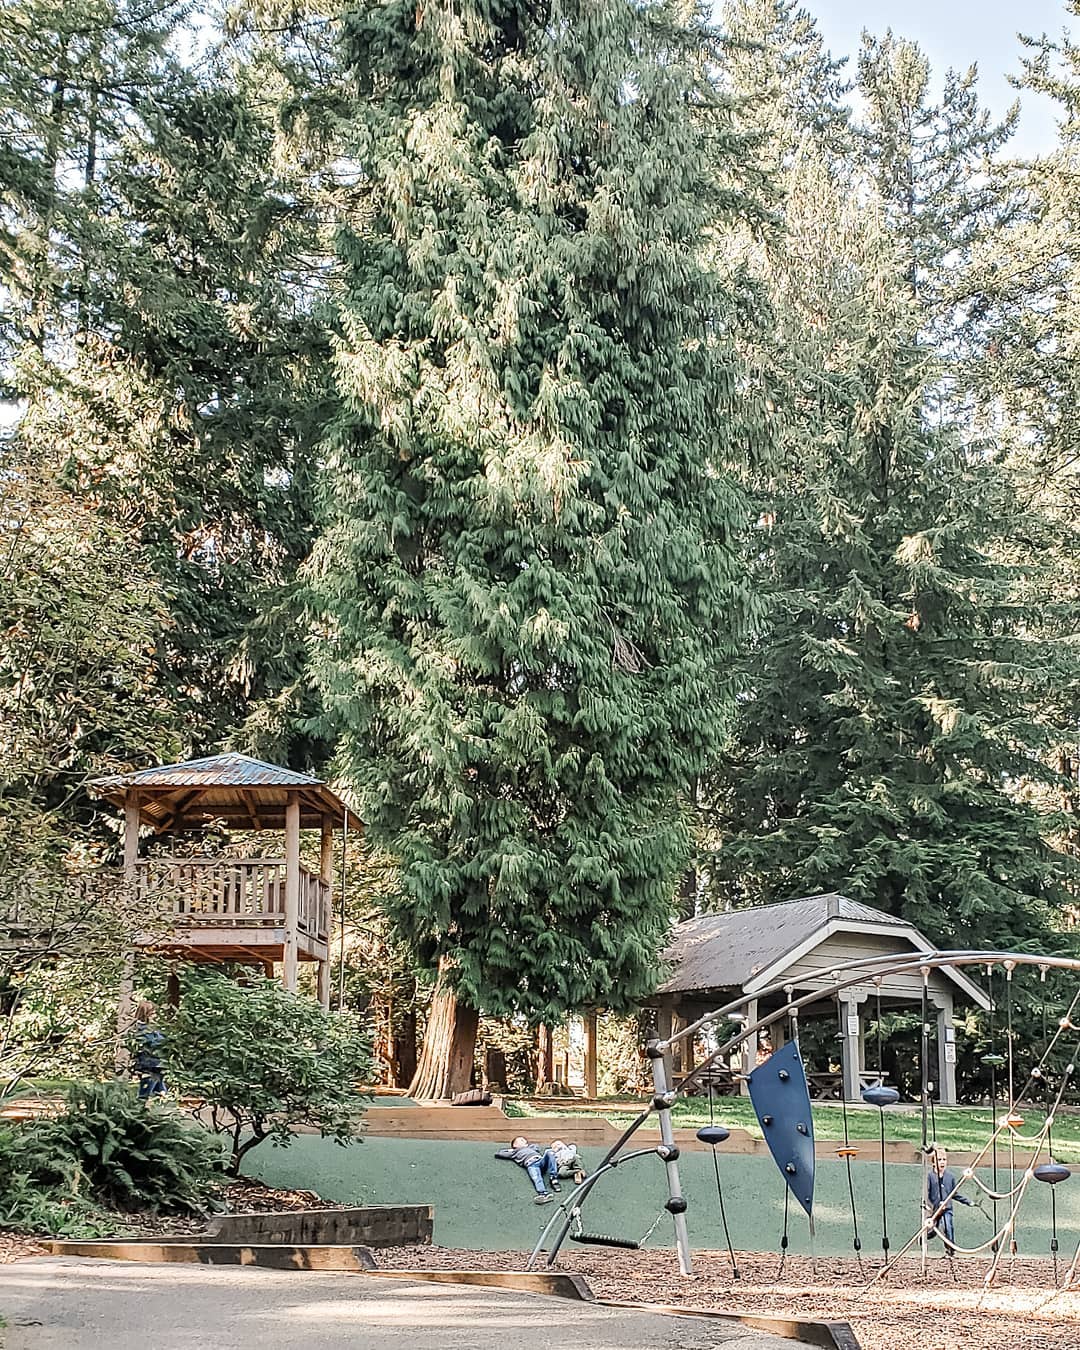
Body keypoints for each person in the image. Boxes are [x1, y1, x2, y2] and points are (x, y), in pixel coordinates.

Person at [494, 1136, 561, 1204]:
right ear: (515, 1145)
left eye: (525, 1140)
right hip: (532, 1165)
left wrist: (527, 1146)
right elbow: (499, 1153)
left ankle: (553, 1178)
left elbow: (536, 1146)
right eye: (521, 1140)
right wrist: (512, 1149)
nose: (525, 1140)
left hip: (540, 1161)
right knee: (536, 1178)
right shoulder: (514, 1152)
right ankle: (544, 1194)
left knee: (549, 1151)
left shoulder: (531, 1148)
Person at [926, 1149, 972, 1247]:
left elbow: (953, 1193)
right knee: (931, 1229)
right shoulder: (930, 1176)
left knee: (948, 1227)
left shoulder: (950, 1177)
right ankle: (922, 1240)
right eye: (939, 1160)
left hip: (947, 1208)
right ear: (934, 1162)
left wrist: (968, 1202)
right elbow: (927, 1193)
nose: (942, 1162)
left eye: (944, 1159)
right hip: (934, 1209)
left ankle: (950, 1250)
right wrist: (932, 1206)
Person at [130, 999, 166, 1101]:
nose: (155, 1016)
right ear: (146, 1014)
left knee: (160, 1090)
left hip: (157, 1064)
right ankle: (141, 1110)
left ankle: (161, 1109)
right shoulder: (142, 1030)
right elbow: (153, 1043)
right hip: (149, 1064)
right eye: (153, 1013)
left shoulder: (153, 1028)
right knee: (146, 1091)